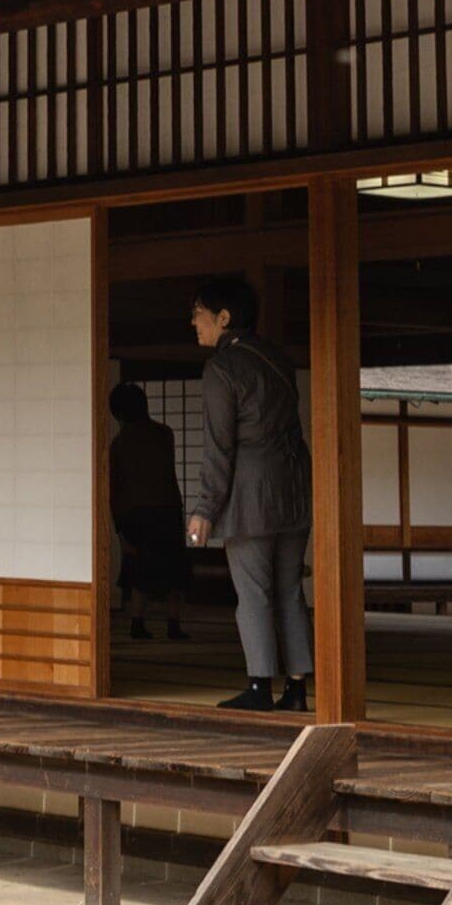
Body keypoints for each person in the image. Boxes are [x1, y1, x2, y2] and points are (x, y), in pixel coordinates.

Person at [184, 276, 312, 713]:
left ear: (224, 318)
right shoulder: (277, 358)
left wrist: (205, 509)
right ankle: (296, 689)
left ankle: (259, 686)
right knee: (290, 590)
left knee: (254, 592)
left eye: (199, 313)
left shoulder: (222, 368)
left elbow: (220, 447)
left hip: (251, 493)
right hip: (294, 487)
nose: (194, 322)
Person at [107, 383, 191, 643]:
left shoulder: (119, 443)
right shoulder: (164, 434)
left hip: (136, 512)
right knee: (174, 572)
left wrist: (119, 529)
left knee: (140, 571)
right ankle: (174, 624)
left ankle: (137, 622)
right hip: (167, 508)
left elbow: (116, 489)